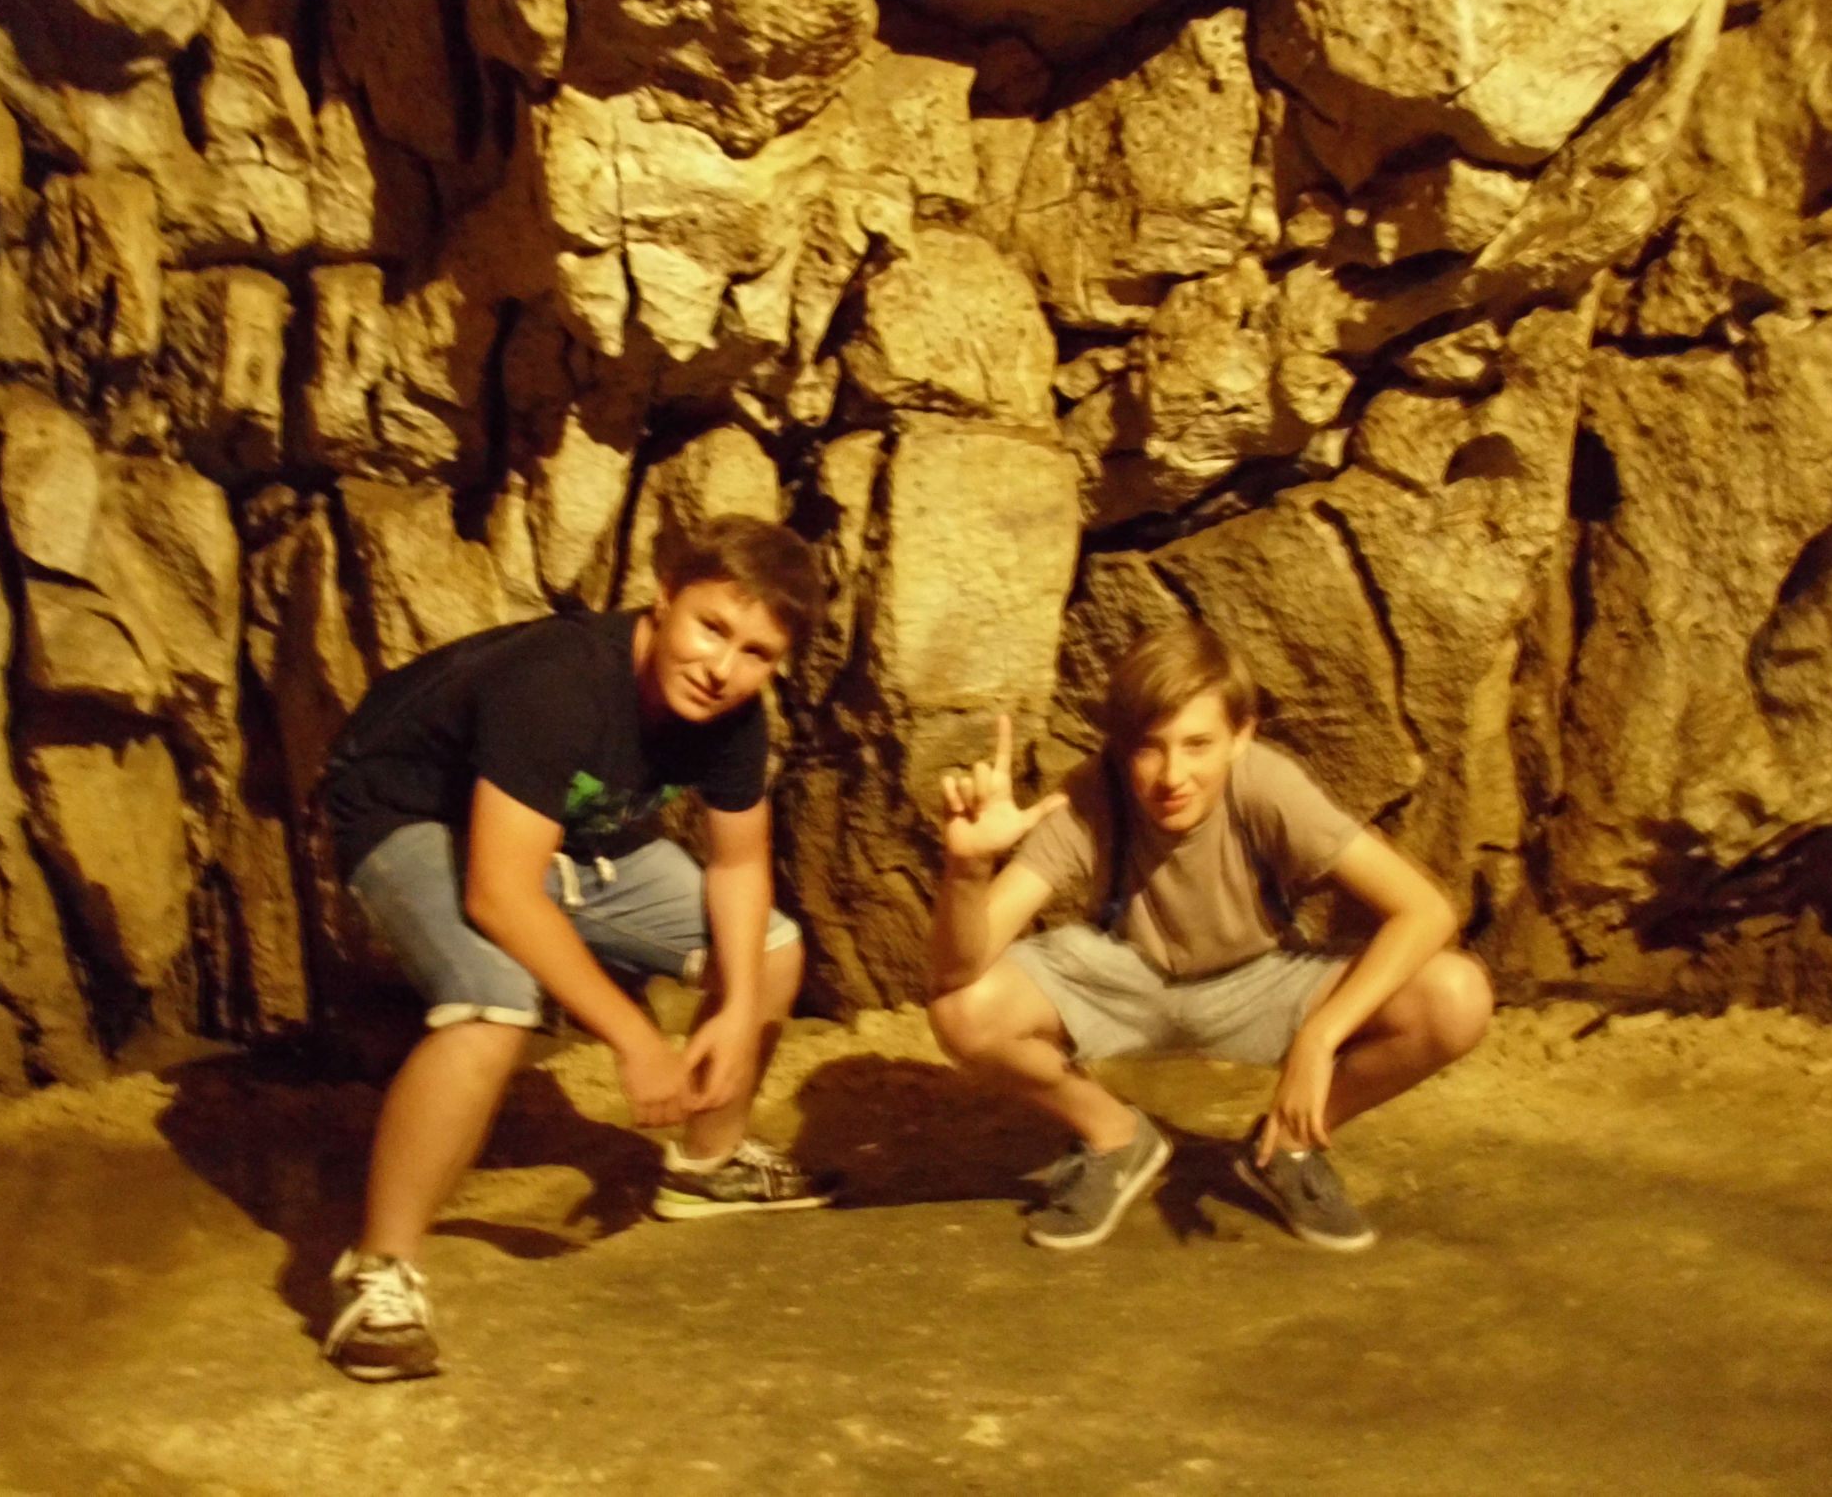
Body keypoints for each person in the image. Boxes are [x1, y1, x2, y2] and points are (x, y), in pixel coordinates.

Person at [316, 515, 832, 1381]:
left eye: (756, 653)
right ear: (664, 599)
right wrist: (637, 1040)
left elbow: (740, 866)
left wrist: (739, 1005)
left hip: (568, 832)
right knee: (495, 1002)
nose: (723, 668)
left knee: (769, 950)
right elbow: (500, 892)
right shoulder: (559, 681)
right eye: (711, 628)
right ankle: (378, 1272)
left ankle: (706, 1164)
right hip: (412, 817)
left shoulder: (734, 715)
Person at [926, 620, 1492, 1253]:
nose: (1173, 775)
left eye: (1198, 744)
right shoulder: (1091, 794)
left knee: (1456, 994)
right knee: (963, 1009)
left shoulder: (1268, 786)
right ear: (1120, 746)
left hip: (1259, 979)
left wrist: (1320, 1037)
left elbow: (1425, 911)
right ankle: (1115, 1136)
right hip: (1123, 978)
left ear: (1241, 736)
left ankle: (1287, 1146)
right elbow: (955, 972)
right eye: (1149, 747)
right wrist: (969, 868)